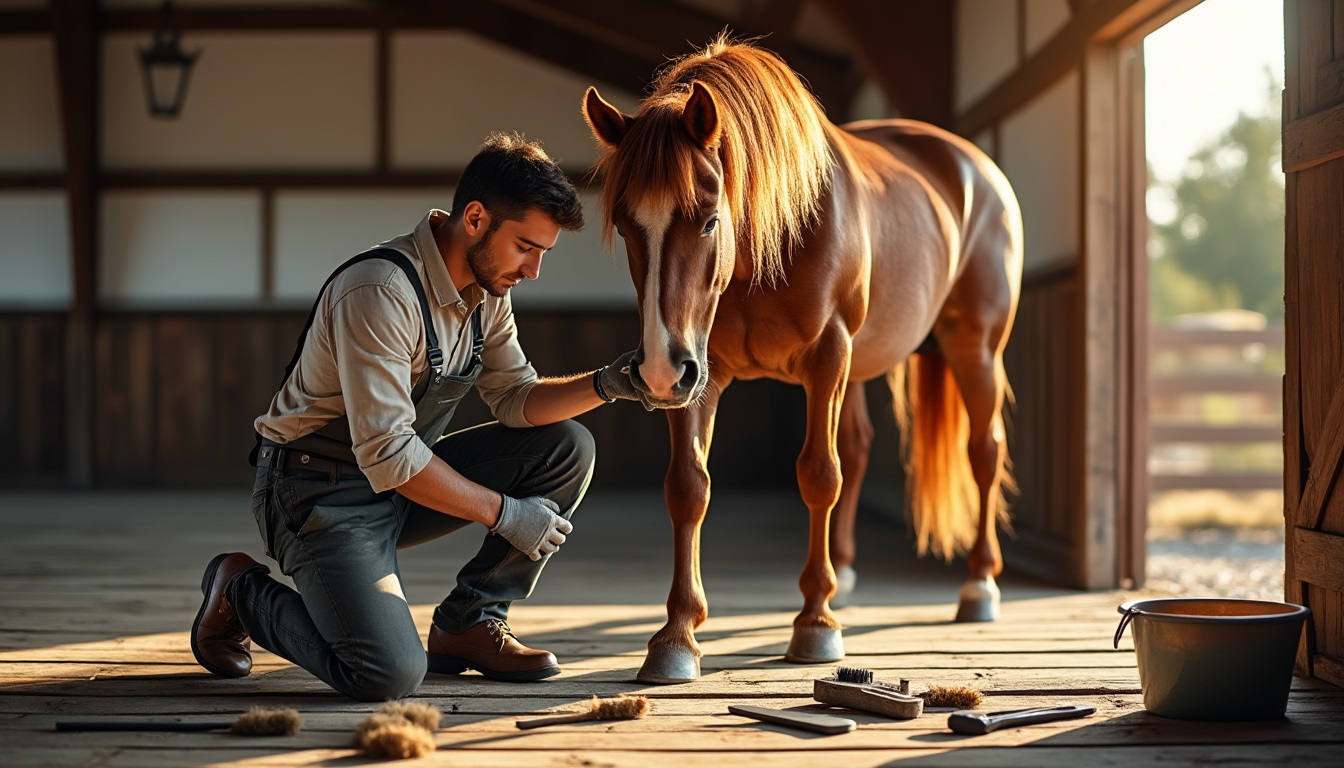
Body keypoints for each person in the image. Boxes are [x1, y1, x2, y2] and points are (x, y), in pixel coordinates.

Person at [189, 133, 647, 701]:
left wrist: (612, 383)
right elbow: (387, 450)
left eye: (543, 254)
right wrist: (506, 515)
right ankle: (239, 590)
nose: (533, 272)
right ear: (475, 218)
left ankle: (468, 624)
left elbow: (516, 397)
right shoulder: (379, 291)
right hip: (314, 494)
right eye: (526, 247)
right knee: (385, 673)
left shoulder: (488, 294)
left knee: (567, 446)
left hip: (397, 487)